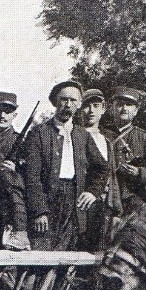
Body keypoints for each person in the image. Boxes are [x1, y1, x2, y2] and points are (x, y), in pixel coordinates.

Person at [23, 80, 109, 252]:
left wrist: (92, 191)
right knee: (40, 254)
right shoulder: (39, 133)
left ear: (78, 105)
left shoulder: (82, 135)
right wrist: (39, 211)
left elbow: (102, 167)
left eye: (73, 101)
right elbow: (31, 176)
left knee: (67, 255)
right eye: (63, 100)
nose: (68, 105)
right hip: (47, 199)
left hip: (74, 201)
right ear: (55, 102)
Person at [103, 86, 146, 217]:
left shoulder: (144, 137)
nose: (124, 108)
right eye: (119, 104)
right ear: (111, 108)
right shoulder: (101, 134)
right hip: (104, 197)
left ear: (136, 111)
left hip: (133, 199)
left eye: (129, 105)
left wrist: (138, 172)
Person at [0, 91, 30, 251]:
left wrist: (17, 169)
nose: (2, 115)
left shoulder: (23, 141)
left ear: (14, 115)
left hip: (9, 205)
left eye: (7, 112)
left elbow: (32, 172)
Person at [75, 88, 119, 251]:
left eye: (96, 105)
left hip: (104, 203)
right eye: (87, 106)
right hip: (80, 201)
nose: (91, 110)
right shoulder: (73, 134)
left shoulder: (108, 140)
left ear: (103, 109)